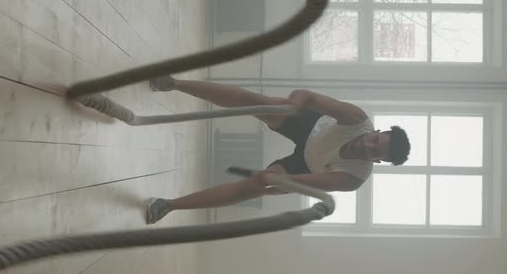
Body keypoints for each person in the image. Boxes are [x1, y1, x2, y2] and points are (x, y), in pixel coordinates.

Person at [145, 76, 410, 224]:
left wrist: (271, 181)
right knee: (254, 103)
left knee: (252, 187)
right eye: (375, 140)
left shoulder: (353, 178)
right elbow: (307, 95)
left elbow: (302, 181)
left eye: (375, 152)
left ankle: (168, 206)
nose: (367, 145)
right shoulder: (355, 118)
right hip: (311, 125)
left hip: (307, 167)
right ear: (376, 132)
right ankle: (172, 83)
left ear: (378, 161)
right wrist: (292, 104)